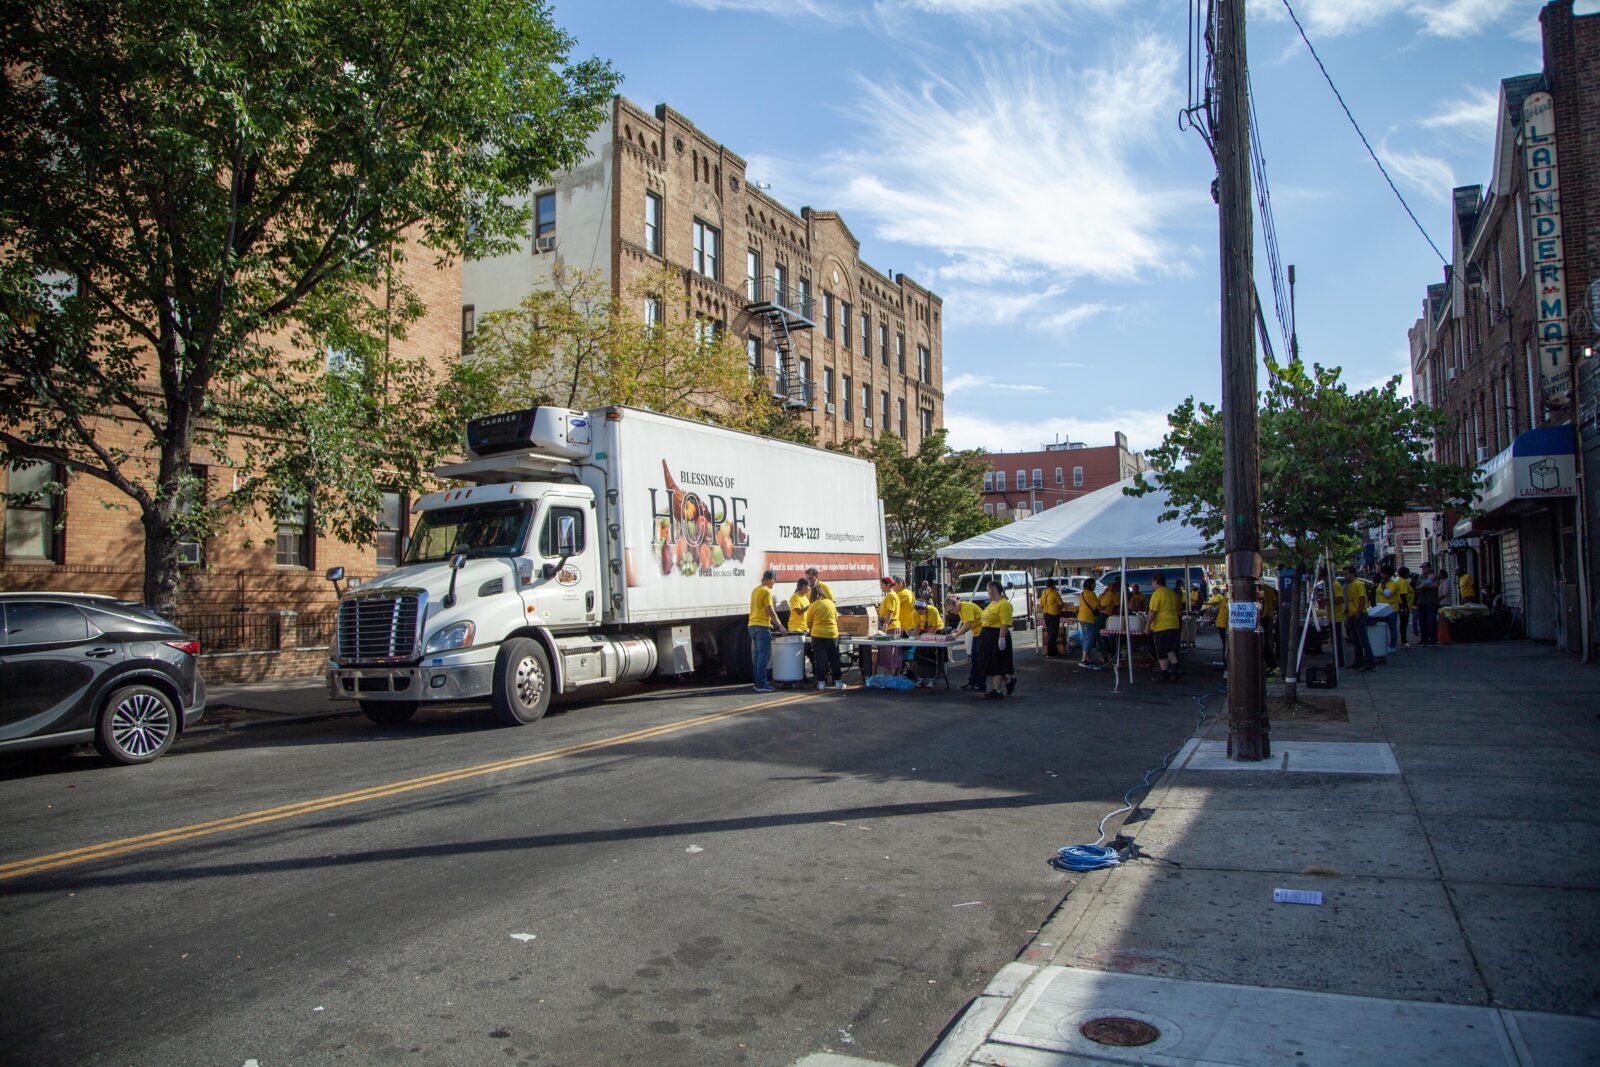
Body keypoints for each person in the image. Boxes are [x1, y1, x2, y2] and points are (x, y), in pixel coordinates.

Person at [748, 569, 787, 692]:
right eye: (775, 580)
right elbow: (770, 611)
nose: (774, 583)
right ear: (770, 580)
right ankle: (761, 684)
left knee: (757, 656)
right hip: (761, 626)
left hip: (752, 625)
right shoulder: (767, 591)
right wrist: (780, 626)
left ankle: (757, 682)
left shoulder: (756, 590)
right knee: (764, 656)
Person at [981, 580, 1015, 698]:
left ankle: (997, 690)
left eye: (988, 590)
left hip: (997, 634)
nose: (987, 592)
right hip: (988, 636)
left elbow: (1004, 623)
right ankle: (1009, 681)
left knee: (998, 663)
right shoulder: (992, 603)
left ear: (994, 589)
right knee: (992, 663)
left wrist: (1001, 639)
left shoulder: (1004, 604)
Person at [1148, 570, 1183, 682]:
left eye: (1152, 582)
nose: (1151, 585)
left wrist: (1147, 625)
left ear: (1156, 581)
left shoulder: (1157, 593)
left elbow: (1153, 612)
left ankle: (1165, 674)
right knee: (1169, 648)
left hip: (1162, 625)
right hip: (1174, 623)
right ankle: (1177, 667)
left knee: (1161, 650)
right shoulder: (1171, 593)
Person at [807, 585, 844, 690]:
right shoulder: (831, 603)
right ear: (823, 593)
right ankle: (838, 682)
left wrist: (812, 629)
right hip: (832, 634)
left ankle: (822, 683)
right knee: (834, 659)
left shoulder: (812, 606)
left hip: (817, 635)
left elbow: (809, 623)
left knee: (820, 660)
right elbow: (836, 618)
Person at [949, 594, 986, 691]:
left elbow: (968, 625)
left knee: (979, 659)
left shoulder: (966, 607)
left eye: (951, 610)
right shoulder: (961, 609)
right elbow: (966, 624)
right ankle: (973, 682)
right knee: (974, 658)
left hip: (982, 632)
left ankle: (981, 684)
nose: (951, 612)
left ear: (955, 605)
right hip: (977, 632)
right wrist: (958, 631)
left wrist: (956, 635)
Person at [1342, 564, 1374, 672]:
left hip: (1359, 614)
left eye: (1346, 574)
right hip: (1352, 615)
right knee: (1356, 640)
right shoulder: (1349, 585)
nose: (1345, 576)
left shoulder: (1358, 584)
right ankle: (1358, 661)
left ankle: (1370, 663)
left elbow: (1362, 599)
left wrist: (1358, 614)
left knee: (1363, 640)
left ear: (1352, 574)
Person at [912, 598, 947, 688]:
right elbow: (917, 627)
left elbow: (934, 629)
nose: (918, 612)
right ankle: (921, 678)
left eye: (920, 610)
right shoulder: (914, 613)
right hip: (924, 631)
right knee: (919, 654)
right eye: (916, 609)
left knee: (932, 655)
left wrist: (923, 637)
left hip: (937, 631)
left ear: (925, 608)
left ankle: (932, 678)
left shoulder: (933, 610)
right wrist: (913, 635)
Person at [1076, 580, 1103, 668]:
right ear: (1091, 585)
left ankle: (1087, 658)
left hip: (1081, 618)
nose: (1095, 586)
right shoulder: (1091, 594)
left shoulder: (1083, 593)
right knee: (1090, 639)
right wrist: (1106, 606)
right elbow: (1098, 607)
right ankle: (1083, 659)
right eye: (1094, 584)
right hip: (1088, 619)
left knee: (1085, 638)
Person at [1414, 563, 1441, 646]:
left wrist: (1424, 585)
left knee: (1431, 621)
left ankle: (1433, 639)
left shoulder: (1435, 576)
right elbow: (1417, 587)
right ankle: (1424, 639)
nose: (1423, 569)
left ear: (1429, 568)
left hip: (1432, 601)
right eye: (1422, 568)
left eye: (1425, 568)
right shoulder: (1420, 577)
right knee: (1422, 622)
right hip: (1421, 602)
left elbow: (1435, 585)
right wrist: (1427, 583)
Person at [1039, 579, 1065, 657]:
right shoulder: (1055, 593)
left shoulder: (1044, 592)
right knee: (1053, 634)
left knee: (1050, 633)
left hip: (1046, 615)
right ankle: (1050, 653)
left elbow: (1041, 604)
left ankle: (1054, 652)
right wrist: (1059, 607)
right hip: (1054, 615)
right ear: (1053, 585)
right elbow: (1061, 604)